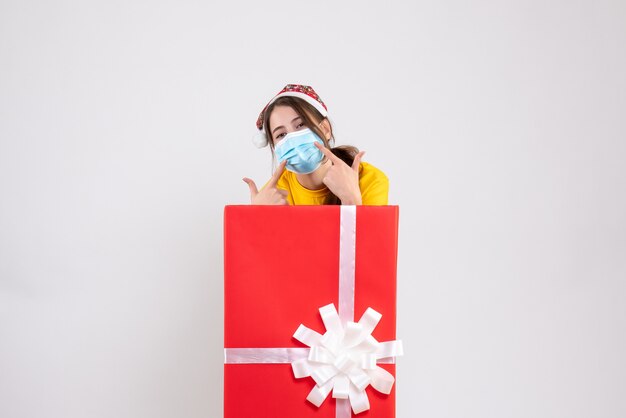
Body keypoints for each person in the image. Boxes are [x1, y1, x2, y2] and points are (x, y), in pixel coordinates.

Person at [243, 84, 388, 205]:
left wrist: (351, 200)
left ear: (325, 129)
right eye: (281, 135)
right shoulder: (274, 194)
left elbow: (371, 240)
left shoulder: (369, 180)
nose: (293, 138)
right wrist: (258, 217)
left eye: (300, 125)